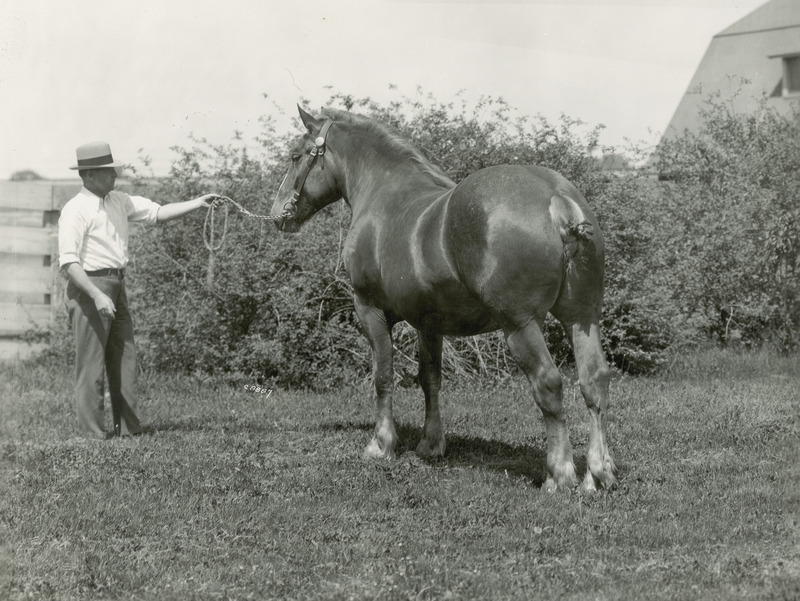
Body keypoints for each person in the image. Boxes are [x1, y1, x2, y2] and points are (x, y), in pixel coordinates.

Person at [58, 141, 220, 439]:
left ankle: (128, 431)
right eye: (108, 172)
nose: (115, 175)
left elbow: (158, 212)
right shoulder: (75, 210)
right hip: (88, 288)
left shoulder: (119, 200)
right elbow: (68, 262)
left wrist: (197, 203)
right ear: (89, 175)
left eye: (114, 171)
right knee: (91, 365)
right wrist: (96, 293)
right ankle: (93, 436)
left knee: (124, 357)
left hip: (116, 285)